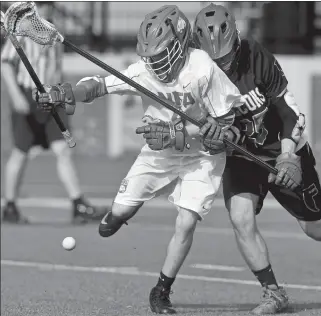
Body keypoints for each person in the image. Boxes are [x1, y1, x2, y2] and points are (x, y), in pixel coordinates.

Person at [33, 5, 244, 314]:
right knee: (116, 217)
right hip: (158, 154)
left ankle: (161, 290)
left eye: (160, 55)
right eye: (149, 56)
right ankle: (119, 215)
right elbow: (99, 86)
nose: (154, 63)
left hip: (201, 157)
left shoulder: (202, 69)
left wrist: (181, 135)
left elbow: (226, 130)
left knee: (186, 223)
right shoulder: (144, 71)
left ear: (180, 45)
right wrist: (62, 93)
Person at [193, 3, 321, 315]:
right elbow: (205, 134)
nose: (224, 64)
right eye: (215, 59)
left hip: (282, 151)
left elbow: (290, 113)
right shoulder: (195, 74)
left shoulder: (256, 57)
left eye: (228, 56)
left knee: (318, 230)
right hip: (242, 156)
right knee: (241, 217)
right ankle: (273, 293)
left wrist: (288, 155)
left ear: (236, 40)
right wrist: (203, 138)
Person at [1, 2, 107, 224]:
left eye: (48, 3)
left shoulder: (53, 31)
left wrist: (59, 92)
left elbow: (56, 67)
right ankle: (9, 206)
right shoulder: (21, 30)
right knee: (20, 153)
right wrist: (16, 96)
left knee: (63, 151)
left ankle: (77, 204)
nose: (46, 8)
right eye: (41, 4)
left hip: (51, 96)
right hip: (28, 96)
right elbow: (6, 64)